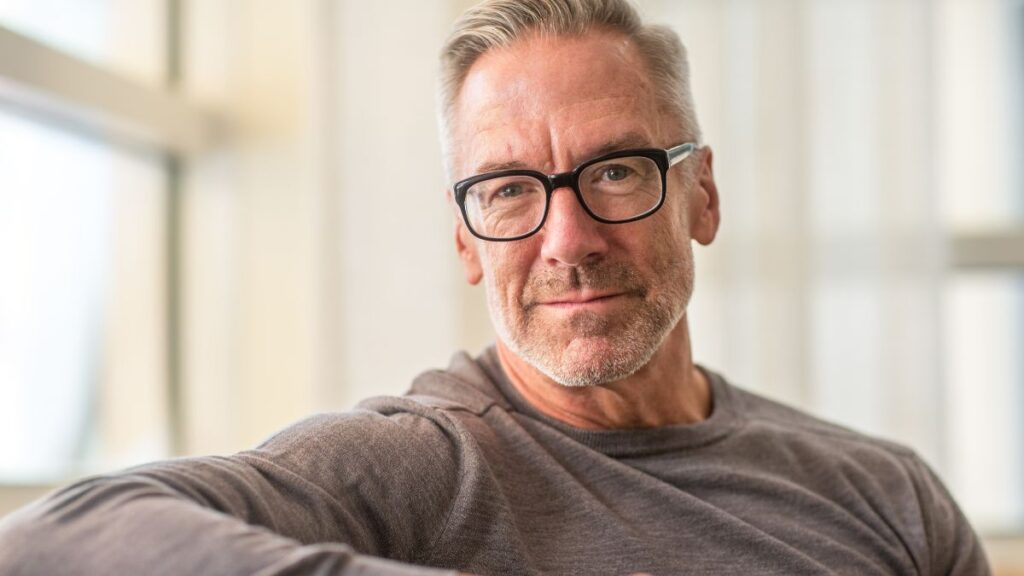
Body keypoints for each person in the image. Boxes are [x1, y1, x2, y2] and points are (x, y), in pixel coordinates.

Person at [0, 0, 990, 574]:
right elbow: (55, 540)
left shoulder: (886, 495)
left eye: (613, 172)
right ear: (467, 239)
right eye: (509, 190)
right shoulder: (419, 464)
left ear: (702, 195)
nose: (567, 239)